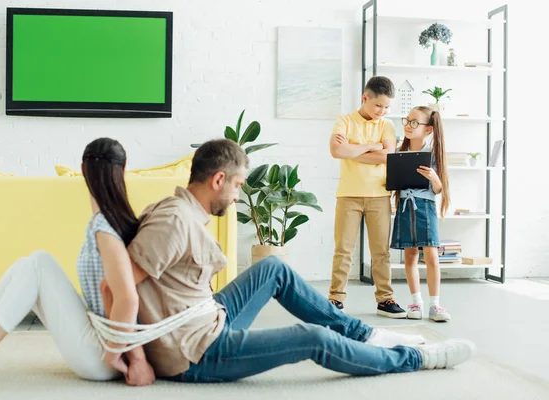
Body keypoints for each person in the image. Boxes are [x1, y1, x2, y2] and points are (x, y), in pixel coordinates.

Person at [107, 138, 475, 383]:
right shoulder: (174, 220)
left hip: (206, 316)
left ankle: (369, 335)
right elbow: (116, 286)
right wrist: (135, 357)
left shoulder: (182, 210)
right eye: (237, 186)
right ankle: (414, 358)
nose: (238, 196)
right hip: (196, 351)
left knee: (273, 268)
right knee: (312, 338)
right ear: (218, 180)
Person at [0, 138, 154, 386]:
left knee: (38, 264)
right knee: (30, 264)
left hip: (101, 356)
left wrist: (133, 359)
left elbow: (127, 298)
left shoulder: (104, 228)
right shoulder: (110, 221)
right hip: (100, 341)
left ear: (82, 170)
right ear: (123, 171)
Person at [328, 76, 406, 318]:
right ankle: (335, 299)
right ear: (365, 98)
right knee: (343, 250)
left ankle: (385, 299)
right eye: (378, 106)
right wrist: (372, 146)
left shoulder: (387, 125)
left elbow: (388, 156)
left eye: (387, 107)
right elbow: (337, 151)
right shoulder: (344, 121)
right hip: (348, 195)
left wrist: (354, 149)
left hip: (379, 195)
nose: (382, 111)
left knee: (381, 251)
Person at [391, 106, 452, 322]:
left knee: (432, 256)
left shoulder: (434, 154)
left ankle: (435, 305)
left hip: (426, 207)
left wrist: (434, 177)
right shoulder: (398, 151)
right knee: (410, 256)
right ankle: (416, 302)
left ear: (428, 130)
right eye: (407, 120)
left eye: (414, 122)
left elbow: (438, 189)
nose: (408, 125)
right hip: (406, 207)